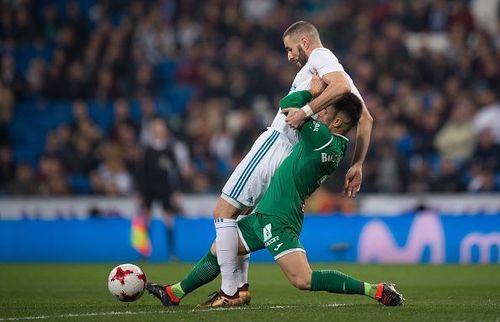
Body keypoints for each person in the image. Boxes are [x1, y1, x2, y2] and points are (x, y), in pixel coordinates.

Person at [146, 90, 402, 307]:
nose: (319, 112)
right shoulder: (339, 145)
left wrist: (313, 92)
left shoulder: (323, 139)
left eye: (325, 110)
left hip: (278, 218)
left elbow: (287, 106)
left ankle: (376, 290)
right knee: (221, 249)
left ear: (336, 123)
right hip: (269, 213)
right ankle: (174, 293)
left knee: (303, 280)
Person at [212, 20, 374, 303]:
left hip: (278, 142)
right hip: (292, 153)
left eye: (289, 48)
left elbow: (339, 85)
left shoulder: (320, 57)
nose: (289, 56)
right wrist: (357, 164)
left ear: (305, 42)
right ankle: (232, 289)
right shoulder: (336, 72)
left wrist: (307, 108)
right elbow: (367, 119)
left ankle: (230, 291)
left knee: (223, 211)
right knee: (240, 217)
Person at [135, 118, 183, 259]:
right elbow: (141, 171)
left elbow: (175, 171)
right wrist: (140, 192)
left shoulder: (169, 149)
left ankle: (172, 253)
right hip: (149, 188)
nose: (159, 130)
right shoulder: (147, 149)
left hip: (165, 188)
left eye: (161, 127)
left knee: (168, 219)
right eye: (156, 127)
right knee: (145, 218)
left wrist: (176, 190)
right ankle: (144, 253)